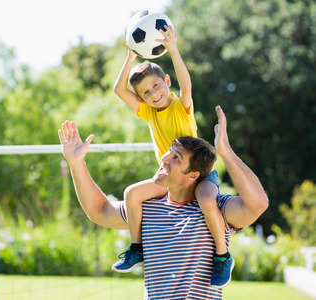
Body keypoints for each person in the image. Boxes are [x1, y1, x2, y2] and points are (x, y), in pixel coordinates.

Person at [58, 106, 268, 299]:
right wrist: (76, 163)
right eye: (169, 151)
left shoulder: (215, 208)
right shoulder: (146, 207)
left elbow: (257, 204)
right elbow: (99, 210)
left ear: (192, 175)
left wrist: (226, 153)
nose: (164, 157)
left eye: (176, 157)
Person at [113, 24, 230, 287]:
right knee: (132, 193)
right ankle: (136, 248)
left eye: (156, 86)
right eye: (146, 92)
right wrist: (130, 57)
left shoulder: (181, 106)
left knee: (207, 202)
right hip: (171, 178)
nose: (154, 94)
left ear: (167, 81)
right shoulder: (147, 112)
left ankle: (223, 257)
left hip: (199, 173)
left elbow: (186, 85)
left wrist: (173, 50)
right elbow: (119, 91)